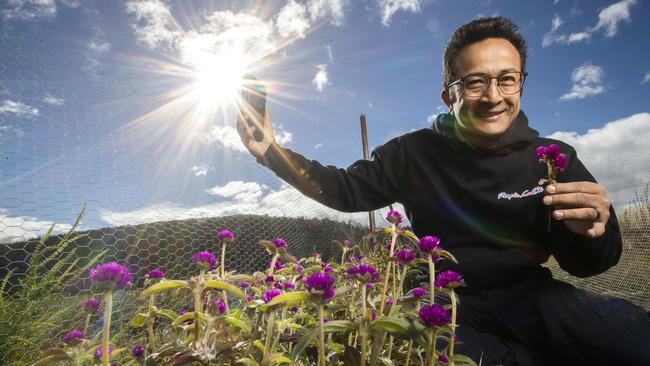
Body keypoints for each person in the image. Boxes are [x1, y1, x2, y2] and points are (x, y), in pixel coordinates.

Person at [237, 16, 650, 366]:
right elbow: (344, 189)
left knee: (632, 340)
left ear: (520, 84)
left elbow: (590, 264)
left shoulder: (553, 158)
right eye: (474, 83)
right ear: (448, 94)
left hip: (531, 294)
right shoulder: (411, 153)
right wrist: (271, 153)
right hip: (443, 301)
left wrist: (590, 233)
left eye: (507, 80)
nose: (493, 97)